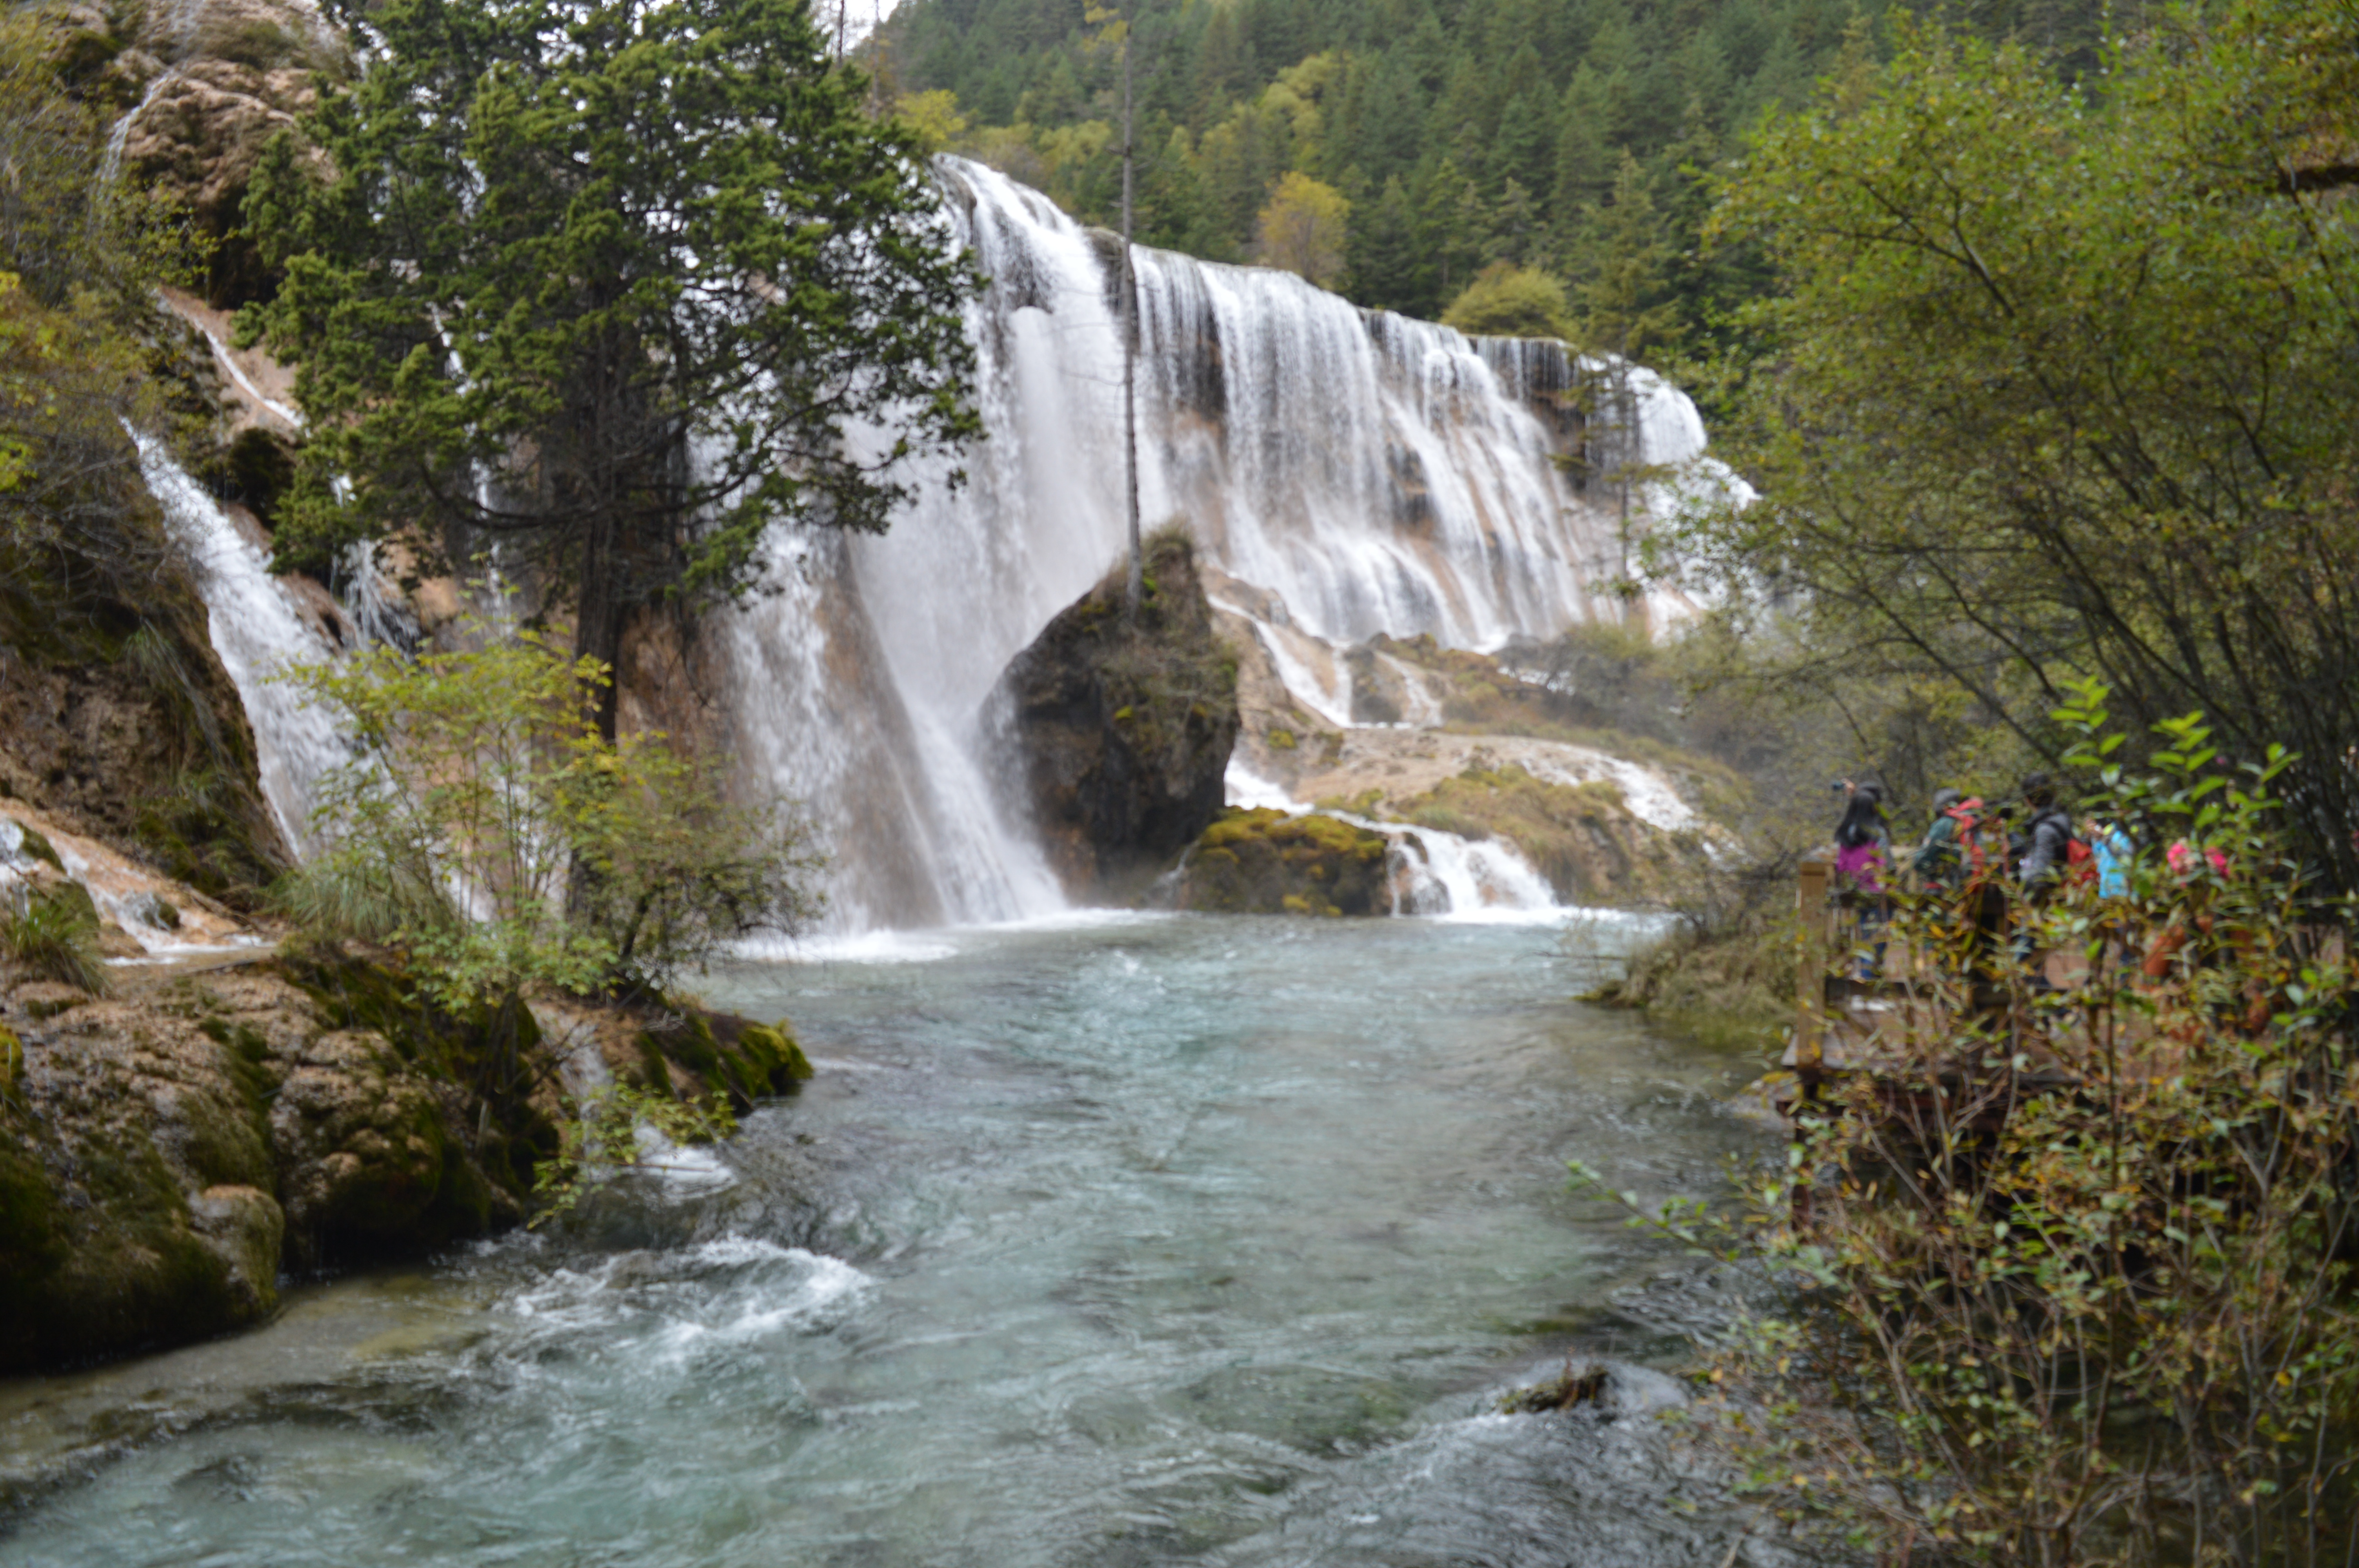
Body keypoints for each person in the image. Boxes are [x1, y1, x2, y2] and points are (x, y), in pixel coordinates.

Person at [2014, 774, 2076, 988]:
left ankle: (2057, 1009)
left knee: (2021, 960)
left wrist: (2023, 889)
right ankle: (2052, 1008)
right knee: (2034, 959)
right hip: (2059, 900)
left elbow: (2041, 873)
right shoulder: (2064, 823)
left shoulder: (2045, 829)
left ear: (2028, 800)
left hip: (2041, 903)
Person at [1832, 780, 1891, 981]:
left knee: (1865, 933)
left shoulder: (1845, 835)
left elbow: (1841, 866)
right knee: (1878, 936)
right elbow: (1883, 863)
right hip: (1877, 892)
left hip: (1857, 891)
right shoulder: (1877, 833)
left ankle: (1865, 978)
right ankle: (1870, 979)